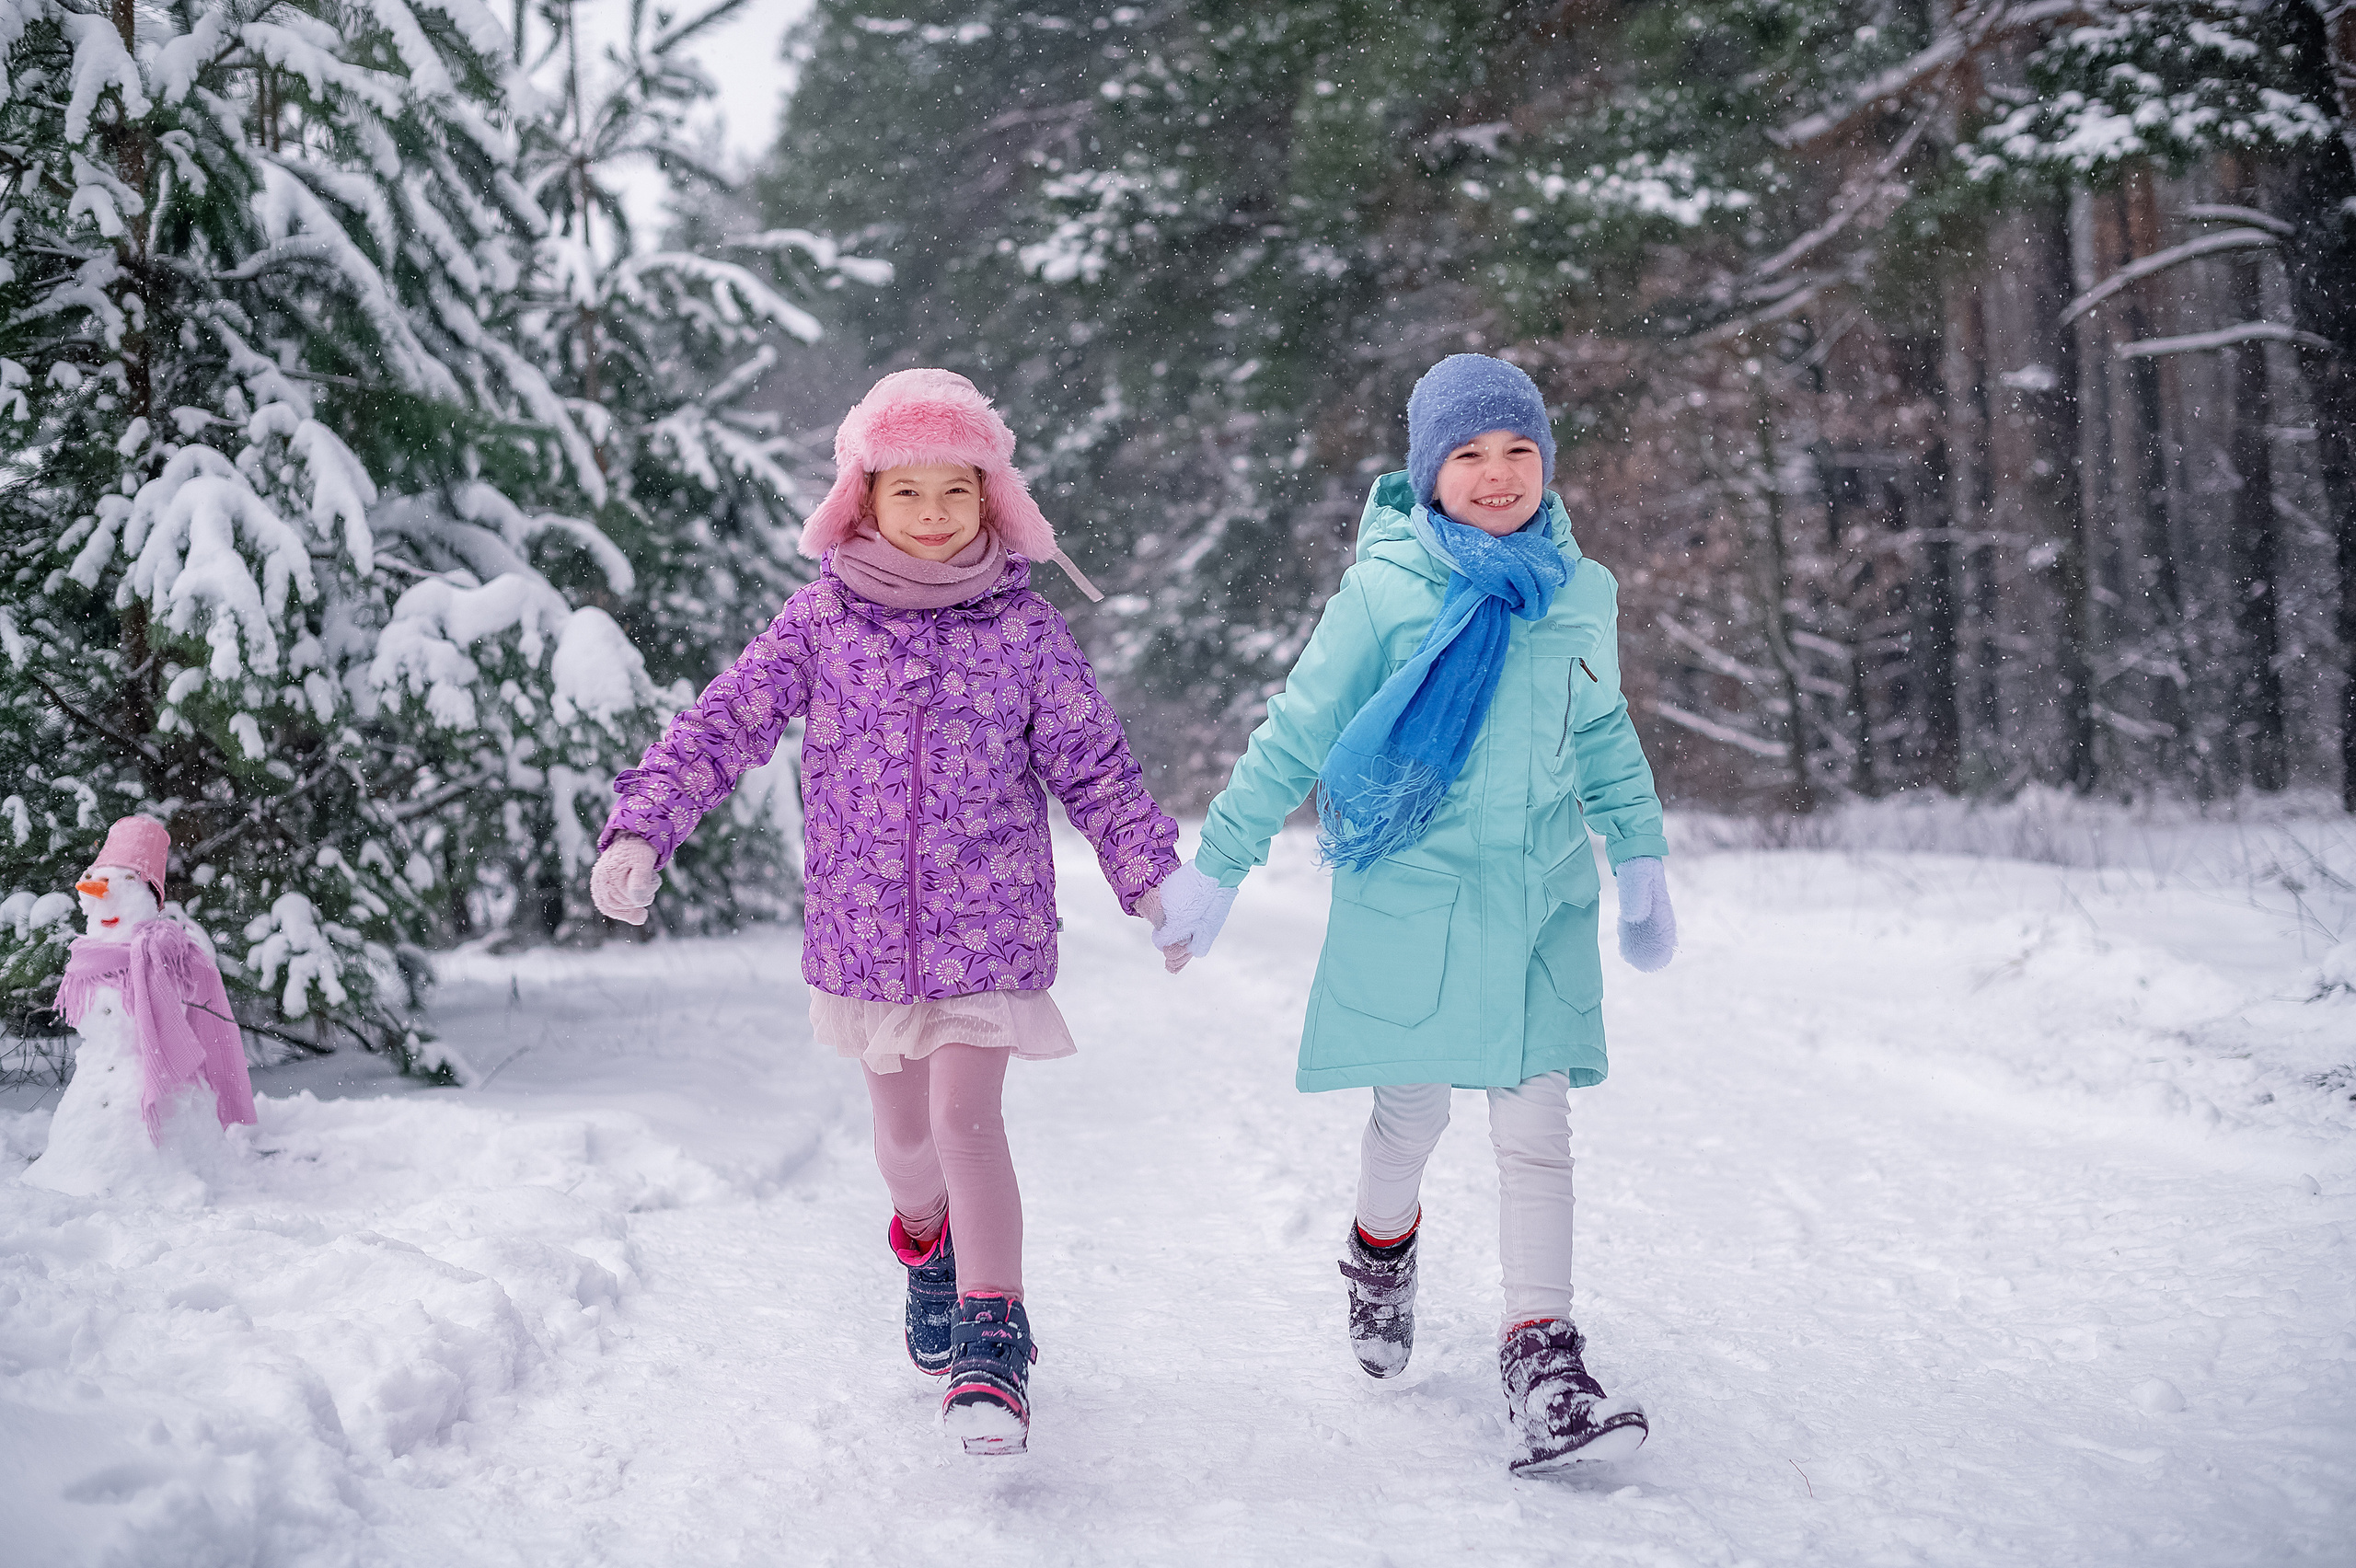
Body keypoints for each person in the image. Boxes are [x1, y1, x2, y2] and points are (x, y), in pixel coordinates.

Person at [587, 369, 1180, 1456]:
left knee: (964, 1122)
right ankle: (928, 1242)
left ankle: (994, 1340)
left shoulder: (1026, 633)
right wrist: (642, 828)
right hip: (864, 936)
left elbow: (1095, 769)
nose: (934, 515)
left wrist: (1151, 879)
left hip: (986, 930)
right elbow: (721, 727)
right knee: (906, 1146)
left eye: (956, 490)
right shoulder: (819, 622)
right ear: (862, 500)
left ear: (990, 497)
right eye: (908, 493)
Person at [1148, 353, 1677, 1474]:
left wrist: (1638, 853)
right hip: (1414, 903)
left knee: (1536, 1128)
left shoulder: (1581, 593)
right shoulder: (1385, 590)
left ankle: (1543, 1358)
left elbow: (1602, 733)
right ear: (1427, 473)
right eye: (1469, 456)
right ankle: (1378, 1254)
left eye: (1518, 452)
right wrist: (1221, 865)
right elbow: (1294, 732)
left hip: (1537, 902)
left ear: (1547, 464)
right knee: (1412, 1118)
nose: (1496, 476)